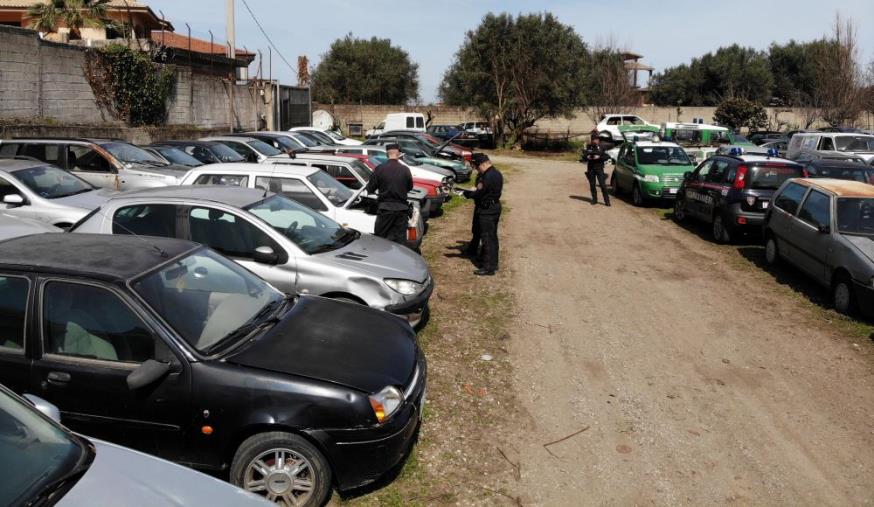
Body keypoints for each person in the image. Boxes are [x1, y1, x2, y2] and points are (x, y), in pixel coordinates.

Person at [462, 153, 503, 276]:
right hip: (491, 207)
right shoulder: (493, 173)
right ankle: (491, 263)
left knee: (487, 238)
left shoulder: (489, 176)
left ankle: (489, 267)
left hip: (488, 210)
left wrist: (468, 194)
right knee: (491, 237)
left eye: (477, 166)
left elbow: (480, 193)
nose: (477, 169)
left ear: (483, 164)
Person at [365, 143, 413, 245]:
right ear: (398, 154)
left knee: (381, 240)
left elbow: (370, 189)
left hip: (385, 210)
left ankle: (384, 259)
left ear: (387, 154)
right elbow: (409, 187)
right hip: (402, 210)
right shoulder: (405, 169)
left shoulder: (380, 169)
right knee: (400, 241)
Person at [582, 135, 610, 206]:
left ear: (598, 140)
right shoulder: (589, 147)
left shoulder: (602, 147)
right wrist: (588, 157)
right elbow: (584, 156)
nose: (595, 141)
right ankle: (594, 199)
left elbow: (607, 156)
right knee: (592, 185)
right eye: (593, 140)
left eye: (596, 140)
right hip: (591, 169)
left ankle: (607, 201)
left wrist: (599, 157)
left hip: (599, 168)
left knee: (602, 185)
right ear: (592, 140)